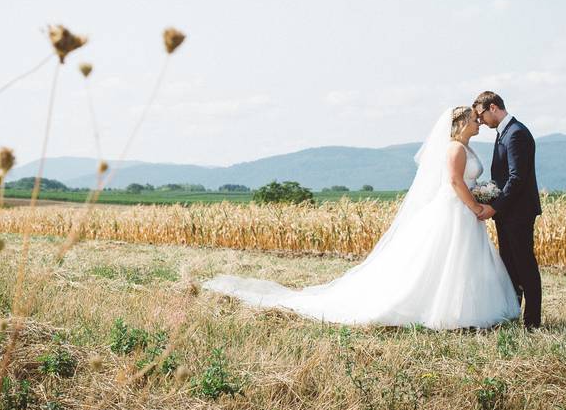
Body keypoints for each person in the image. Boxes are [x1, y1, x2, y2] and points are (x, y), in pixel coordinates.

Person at [202, 106, 520, 330]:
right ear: (461, 123)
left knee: (461, 262)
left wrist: (481, 196)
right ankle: (452, 312)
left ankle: (468, 309)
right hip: (456, 210)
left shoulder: (463, 146)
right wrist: (476, 207)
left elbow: (465, 182)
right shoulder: (455, 149)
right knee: (447, 261)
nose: (479, 123)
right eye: (474, 120)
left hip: (461, 212)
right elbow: (454, 182)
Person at [473, 91, 543, 329]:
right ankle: (513, 314)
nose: (480, 121)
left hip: (519, 212)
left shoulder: (516, 134)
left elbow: (517, 178)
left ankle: (532, 322)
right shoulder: (505, 132)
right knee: (510, 265)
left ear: (493, 107)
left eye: (481, 115)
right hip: (507, 212)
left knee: (524, 265)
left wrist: (494, 206)